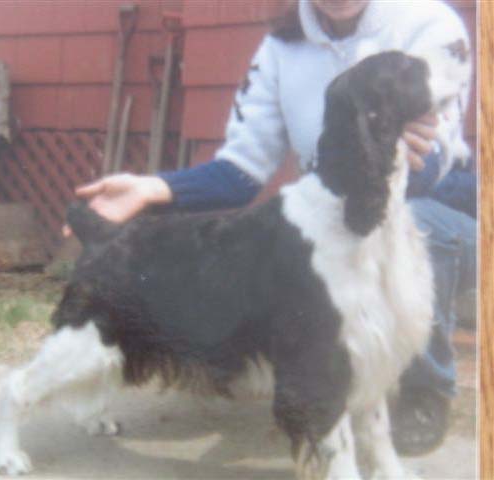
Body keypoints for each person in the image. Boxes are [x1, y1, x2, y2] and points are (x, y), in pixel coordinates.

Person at [66, 0, 476, 456]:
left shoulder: (429, 24)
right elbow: (240, 170)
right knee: (322, 246)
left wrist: (376, 153)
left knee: (420, 222)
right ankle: (332, 379)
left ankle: (425, 388)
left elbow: (430, 163)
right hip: (347, 206)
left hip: (442, 210)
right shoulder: (281, 49)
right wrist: (151, 188)